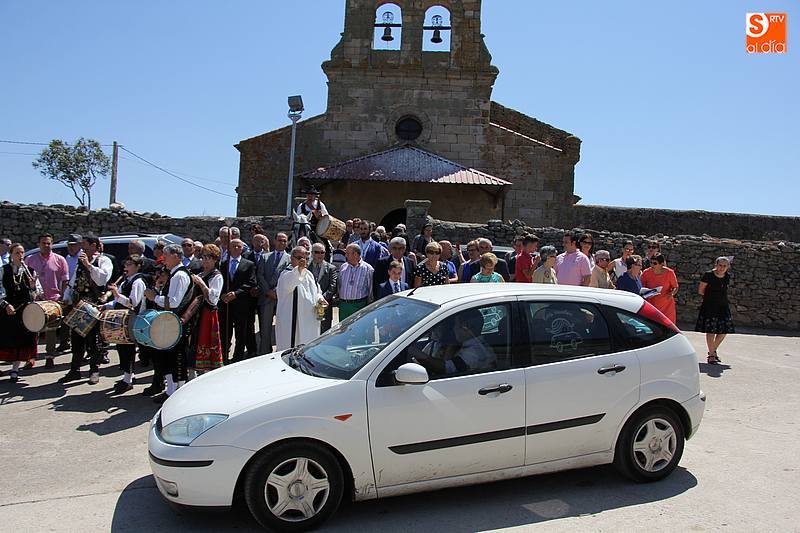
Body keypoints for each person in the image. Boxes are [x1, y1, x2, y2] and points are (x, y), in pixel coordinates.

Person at [58, 234, 113, 385]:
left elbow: (102, 279)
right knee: (76, 339)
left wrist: (89, 265)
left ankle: (94, 370)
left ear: (94, 246)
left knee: (93, 340)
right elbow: (74, 281)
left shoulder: (103, 260)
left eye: (85, 245)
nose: (82, 248)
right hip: (79, 305)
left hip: (93, 305)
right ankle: (74, 370)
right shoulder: (80, 261)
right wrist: (67, 297)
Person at [144, 244, 194, 403]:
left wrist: (154, 297)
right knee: (167, 357)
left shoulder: (179, 275)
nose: (163, 259)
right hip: (170, 322)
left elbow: (174, 302)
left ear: (176, 256)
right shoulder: (174, 274)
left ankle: (177, 393)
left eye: (166, 256)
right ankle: (171, 390)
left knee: (176, 357)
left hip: (175, 323)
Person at [102, 255, 147, 393]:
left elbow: (133, 303)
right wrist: (106, 305)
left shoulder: (138, 282)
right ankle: (129, 376)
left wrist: (116, 294)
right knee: (121, 348)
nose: (126, 267)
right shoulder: (126, 281)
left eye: (129, 264)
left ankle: (127, 380)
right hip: (123, 320)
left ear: (138, 266)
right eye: (126, 264)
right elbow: (117, 302)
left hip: (133, 320)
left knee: (127, 349)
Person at [25, 233, 69, 368]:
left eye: (49, 243)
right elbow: (24, 279)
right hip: (36, 300)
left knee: (51, 330)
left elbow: (65, 281)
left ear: (52, 244)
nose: (46, 245)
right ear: (38, 244)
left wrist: (63, 297)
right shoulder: (30, 260)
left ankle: (50, 357)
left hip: (53, 300)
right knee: (33, 329)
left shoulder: (60, 260)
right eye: (43, 243)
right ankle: (31, 357)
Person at [412, 309, 494, 376]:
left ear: (465, 327)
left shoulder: (476, 352)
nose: (453, 329)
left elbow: (447, 369)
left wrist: (413, 351)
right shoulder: (438, 344)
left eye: (455, 325)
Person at [275, 246, 326, 350]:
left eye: (306, 258)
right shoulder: (286, 274)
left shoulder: (309, 274)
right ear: (291, 258)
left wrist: (320, 299)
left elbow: (317, 291)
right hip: (294, 322)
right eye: (300, 258)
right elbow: (292, 282)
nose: (304, 261)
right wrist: (299, 269)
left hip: (310, 321)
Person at [0, 244, 38, 382]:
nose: (20, 255)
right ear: (11, 254)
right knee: (5, 338)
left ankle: (15, 370)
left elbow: (36, 294)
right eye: (17, 253)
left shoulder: (30, 271)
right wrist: (5, 305)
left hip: (24, 310)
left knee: (21, 340)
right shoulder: (3, 270)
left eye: (22, 252)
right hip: (7, 309)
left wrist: (33, 287)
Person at [219, 239, 256, 364]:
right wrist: (222, 295)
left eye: (238, 246)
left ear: (242, 249)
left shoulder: (249, 264)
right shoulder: (223, 264)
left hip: (241, 303)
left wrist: (236, 293)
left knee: (241, 332)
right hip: (226, 304)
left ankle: (238, 358)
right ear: (229, 248)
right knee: (225, 332)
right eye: (233, 246)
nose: (236, 248)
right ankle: (224, 357)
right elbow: (220, 281)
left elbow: (251, 282)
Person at [188, 244, 224, 373]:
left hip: (207, 314)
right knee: (193, 341)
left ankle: (207, 372)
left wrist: (201, 283)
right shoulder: (201, 273)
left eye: (208, 258)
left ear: (215, 260)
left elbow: (213, 299)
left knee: (206, 342)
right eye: (203, 257)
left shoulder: (217, 276)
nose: (205, 261)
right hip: (196, 313)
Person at [256, 233, 291, 354]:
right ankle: (264, 352)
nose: (282, 243)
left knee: (283, 327)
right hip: (267, 297)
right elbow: (260, 275)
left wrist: (277, 291)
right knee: (265, 328)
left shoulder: (290, 259)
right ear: (274, 241)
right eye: (280, 240)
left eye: (284, 241)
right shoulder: (265, 257)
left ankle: (282, 352)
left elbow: (288, 277)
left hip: (282, 298)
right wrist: (268, 291)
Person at [695, 257, 735, 364]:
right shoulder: (708, 275)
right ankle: (712, 355)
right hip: (710, 305)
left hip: (723, 306)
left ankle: (712, 350)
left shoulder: (727, 276)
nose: (722, 268)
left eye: (724, 266)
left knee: (724, 331)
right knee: (710, 331)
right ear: (716, 265)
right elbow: (701, 290)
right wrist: (710, 298)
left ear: (728, 267)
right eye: (720, 265)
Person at [338, 243, 374, 320]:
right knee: (343, 327)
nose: (345, 255)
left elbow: (370, 289)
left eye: (348, 253)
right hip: (344, 306)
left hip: (359, 305)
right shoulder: (343, 267)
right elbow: (339, 285)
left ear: (355, 254)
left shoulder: (368, 269)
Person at [641, 253, 679, 323]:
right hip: (651, 305)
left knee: (667, 325)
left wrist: (672, 293)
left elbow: (675, 287)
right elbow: (641, 288)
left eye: (655, 263)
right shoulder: (646, 273)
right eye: (651, 262)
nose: (652, 265)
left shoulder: (669, 273)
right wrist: (647, 293)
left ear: (662, 264)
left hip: (666, 305)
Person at [310, 242, 338, 333]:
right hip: (309, 306)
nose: (320, 254)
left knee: (324, 332)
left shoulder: (331, 268)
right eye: (317, 252)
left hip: (325, 306)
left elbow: (333, 286)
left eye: (322, 252)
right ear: (312, 253)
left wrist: (321, 299)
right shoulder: (306, 267)